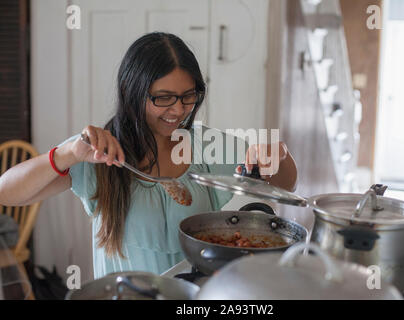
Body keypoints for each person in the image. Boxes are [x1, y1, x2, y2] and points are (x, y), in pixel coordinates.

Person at [0, 32, 298, 279]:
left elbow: (286, 184)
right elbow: (6, 193)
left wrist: (276, 156)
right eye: (164, 98)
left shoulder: (204, 145)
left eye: (188, 97)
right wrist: (65, 154)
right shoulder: (98, 154)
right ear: (132, 91)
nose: (179, 110)